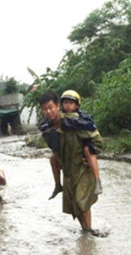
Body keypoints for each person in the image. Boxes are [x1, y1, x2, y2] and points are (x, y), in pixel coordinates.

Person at [39, 92, 103, 234]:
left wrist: (91, 153)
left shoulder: (73, 122)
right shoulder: (48, 129)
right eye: (45, 109)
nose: (48, 111)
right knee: (74, 206)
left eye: (51, 107)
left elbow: (97, 140)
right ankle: (86, 232)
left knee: (82, 202)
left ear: (57, 106)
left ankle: (89, 232)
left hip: (82, 168)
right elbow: (54, 150)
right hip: (68, 172)